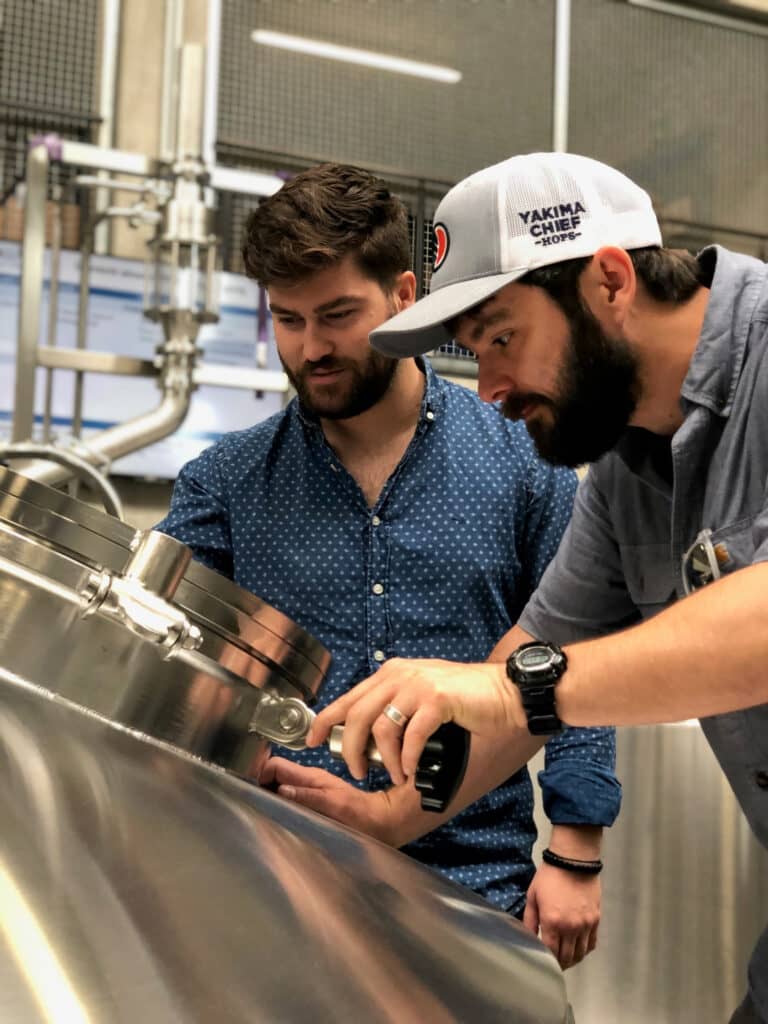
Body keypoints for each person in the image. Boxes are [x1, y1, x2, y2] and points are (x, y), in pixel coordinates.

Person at [306, 151, 768, 1023]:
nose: (490, 390)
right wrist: (385, 821)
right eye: (473, 351)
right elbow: (532, 669)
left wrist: (502, 689)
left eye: (502, 338)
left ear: (608, 280)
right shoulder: (631, 466)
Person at [155, 162, 621, 969]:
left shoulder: (524, 459)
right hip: (277, 868)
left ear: (405, 296)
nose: (311, 348)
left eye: (338, 314)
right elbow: (164, 649)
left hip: (474, 877)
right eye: (288, 320)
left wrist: (575, 849)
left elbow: (577, 654)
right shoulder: (225, 482)